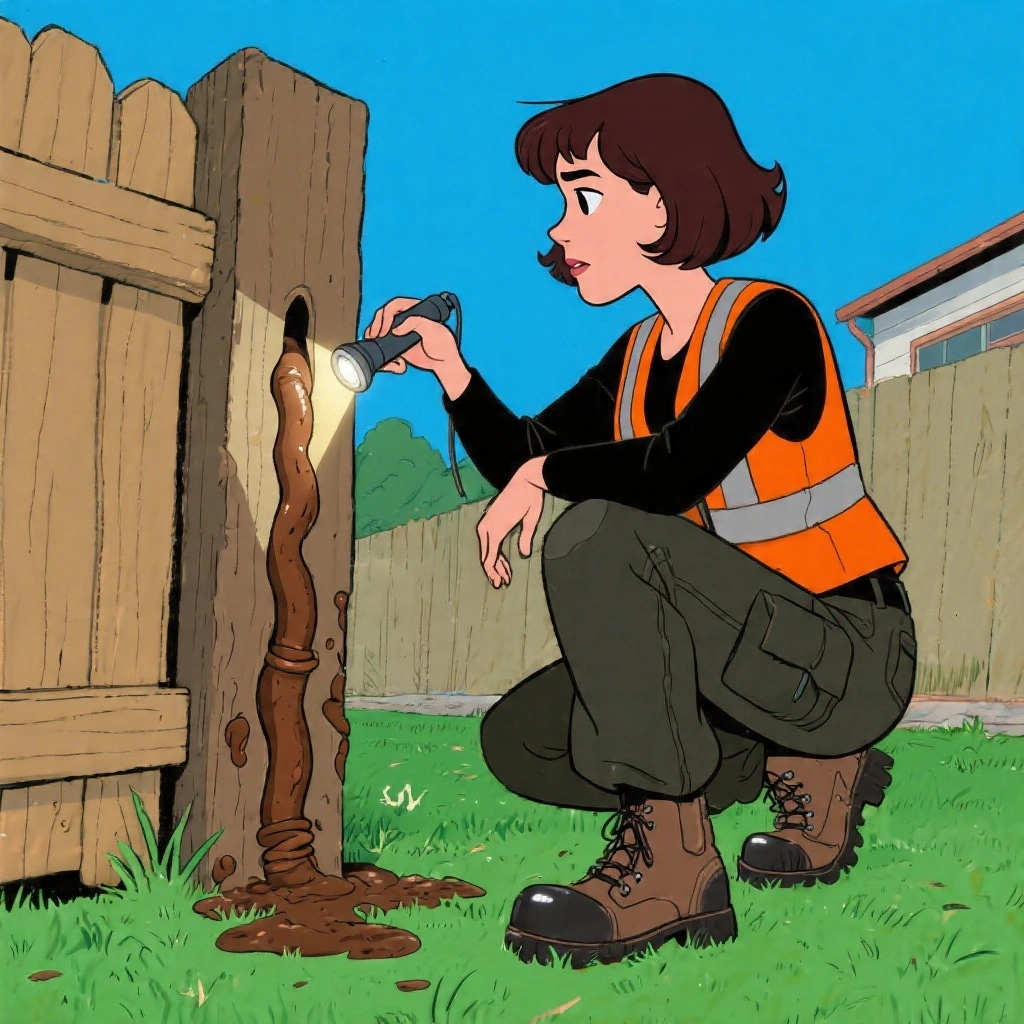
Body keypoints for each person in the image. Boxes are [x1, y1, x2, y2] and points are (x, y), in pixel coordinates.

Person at [363, 73, 917, 969]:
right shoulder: (633, 359)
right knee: (526, 738)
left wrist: (544, 476)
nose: (559, 229)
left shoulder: (769, 321)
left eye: (585, 199)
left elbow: (676, 470)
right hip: (745, 662)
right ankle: (796, 767)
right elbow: (528, 449)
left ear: (667, 198)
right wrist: (452, 372)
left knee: (598, 532)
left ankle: (674, 862)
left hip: (847, 648)